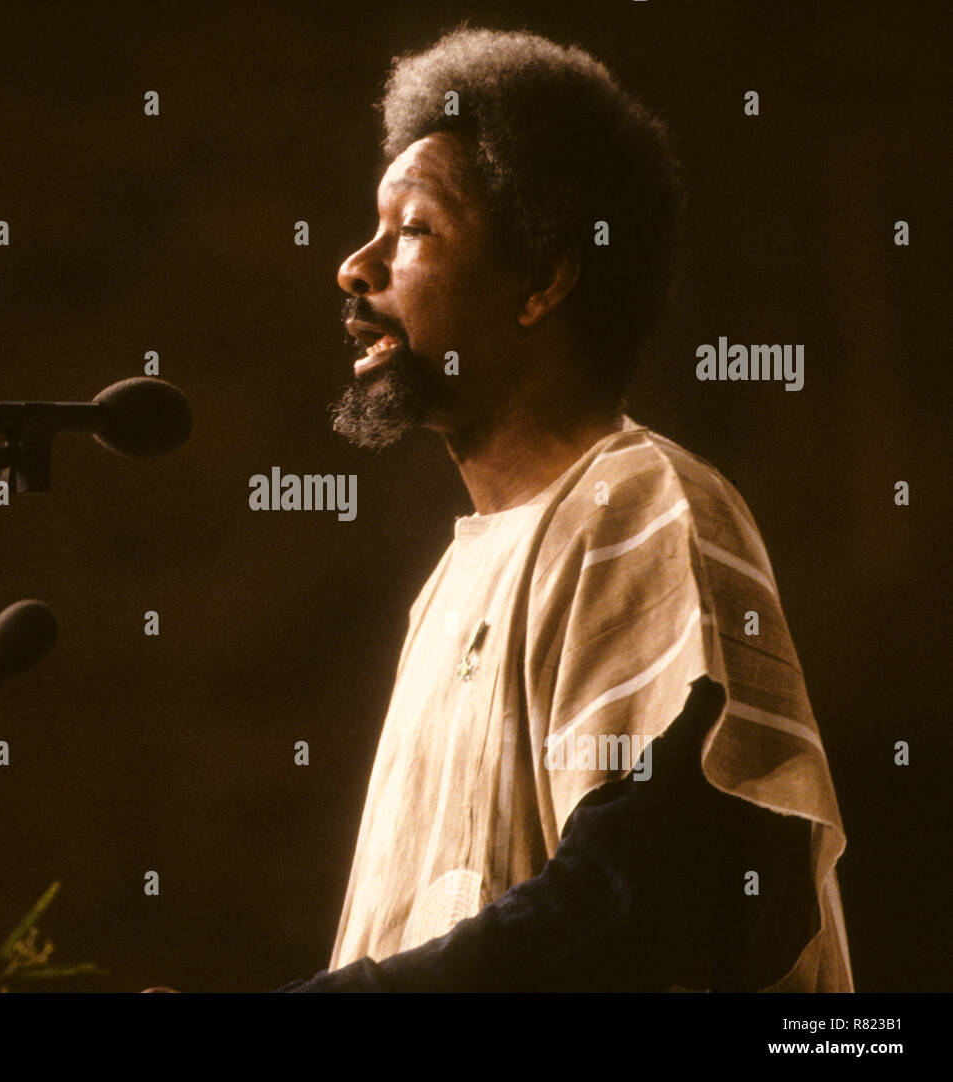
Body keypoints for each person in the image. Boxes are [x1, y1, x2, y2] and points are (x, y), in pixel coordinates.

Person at [277, 27, 851, 992]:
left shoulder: (648, 505)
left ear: (543, 278)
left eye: (414, 229)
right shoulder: (448, 588)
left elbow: (642, 898)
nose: (355, 266)